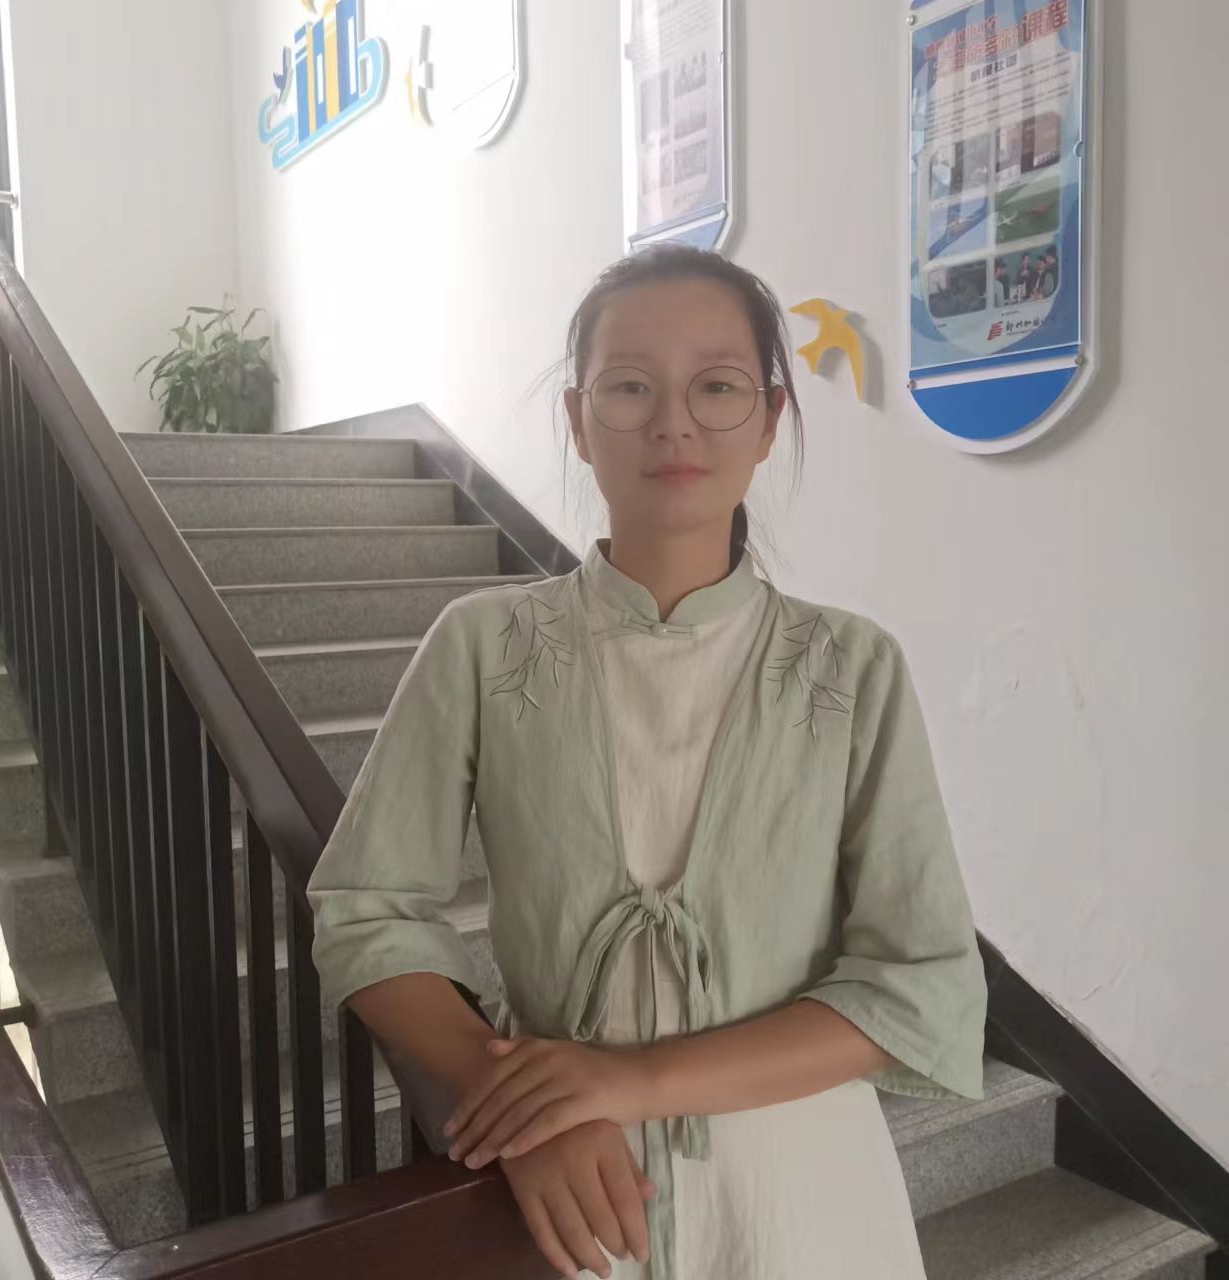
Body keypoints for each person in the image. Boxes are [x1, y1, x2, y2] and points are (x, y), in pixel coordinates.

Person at [306, 245, 988, 1280]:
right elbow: (366, 908)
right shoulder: (483, 646)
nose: (673, 421)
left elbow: (918, 981)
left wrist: (630, 1080)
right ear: (578, 422)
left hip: (799, 1199)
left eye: (717, 386)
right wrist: (512, 1098)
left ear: (768, 420)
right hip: (569, 1191)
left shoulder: (851, 667)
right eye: (629, 386)